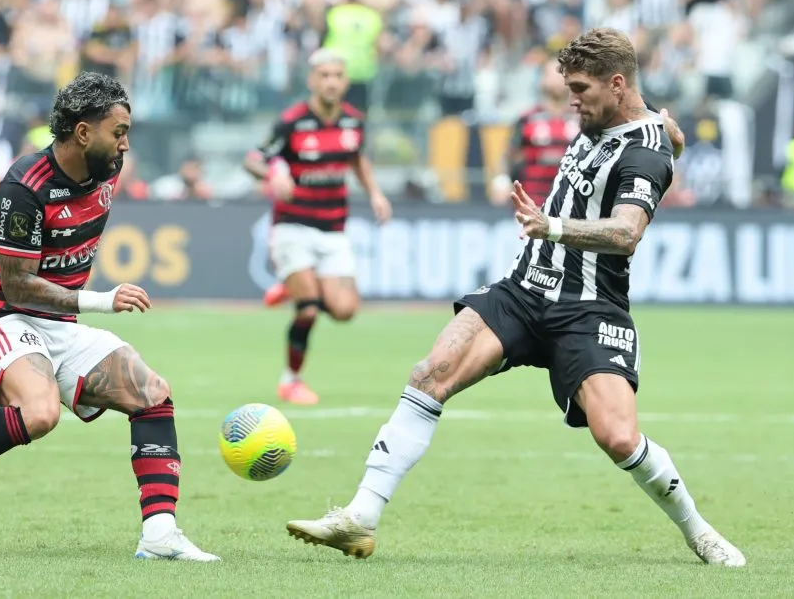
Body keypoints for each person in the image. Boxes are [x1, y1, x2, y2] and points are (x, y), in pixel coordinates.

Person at [286, 29, 745, 567]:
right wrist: (676, 141)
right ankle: (360, 517)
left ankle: (699, 531)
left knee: (619, 438)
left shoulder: (645, 153)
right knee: (431, 372)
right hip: (525, 290)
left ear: (617, 85)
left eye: (580, 89)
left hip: (590, 308)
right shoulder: (628, 122)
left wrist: (550, 226)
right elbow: (673, 138)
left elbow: (625, 233)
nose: (571, 100)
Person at [0, 72, 218, 563]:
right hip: (5, 318)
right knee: (40, 413)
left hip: (58, 324)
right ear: (82, 132)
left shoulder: (109, 167)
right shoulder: (23, 186)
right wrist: (102, 299)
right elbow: (17, 284)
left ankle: (160, 533)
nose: (125, 143)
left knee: (152, 395)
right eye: (117, 131)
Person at [243, 49, 392, 406]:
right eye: (323, 75)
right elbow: (253, 159)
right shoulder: (292, 121)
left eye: (336, 75)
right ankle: (291, 379)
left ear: (345, 81)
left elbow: (357, 158)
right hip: (293, 225)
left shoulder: (353, 122)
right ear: (312, 80)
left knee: (344, 311)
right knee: (308, 309)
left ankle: (293, 285)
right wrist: (273, 175)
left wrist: (375, 193)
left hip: (333, 229)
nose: (330, 81)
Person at [490, 57, 581, 207]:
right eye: (551, 73)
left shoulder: (583, 120)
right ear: (541, 80)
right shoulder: (528, 118)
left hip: (571, 208)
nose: (557, 78)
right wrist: (501, 179)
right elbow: (508, 155)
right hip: (533, 205)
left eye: (562, 73)